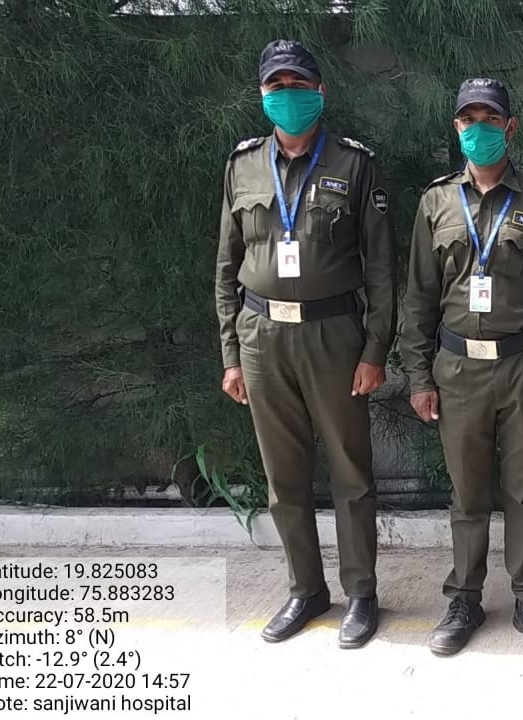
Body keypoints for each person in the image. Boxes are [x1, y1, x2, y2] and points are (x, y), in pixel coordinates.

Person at [215, 40, 397, 649]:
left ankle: (361, 593)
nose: (287, 95)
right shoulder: (242, 165)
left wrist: (374, 350)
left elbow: (381, 268)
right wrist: (231, 354)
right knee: (284, 477)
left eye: (298, 84)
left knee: (350, 471)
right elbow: (226, 265)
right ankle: (306, 590)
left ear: (320, 91)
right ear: (262, 94)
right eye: (277, 86)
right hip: (262, 336)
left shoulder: (354, 163)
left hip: (333, 334)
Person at [400, 78, 523, 658]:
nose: (478, 128)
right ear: (456, 127)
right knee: (467, 491)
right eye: (468, 119)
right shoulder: (435, 202)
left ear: (510, 127)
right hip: (457, 369)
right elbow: (418, 296)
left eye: (489, 118)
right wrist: (418, 375)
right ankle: (464, 598)